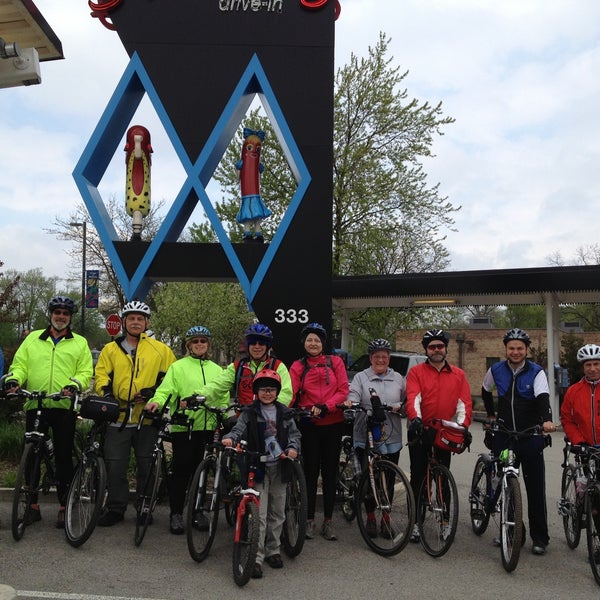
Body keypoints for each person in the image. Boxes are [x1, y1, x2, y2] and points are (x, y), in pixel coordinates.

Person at [5, 296, 93, 528]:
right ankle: (32, 507)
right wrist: (14, 380)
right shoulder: (34, 339)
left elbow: (85, 371)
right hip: (37, 405)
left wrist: (75, 385)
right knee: (32, 456)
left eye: (65, 313)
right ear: (51, 315)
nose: (61, 316)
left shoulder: (80, 342)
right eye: (57, 312)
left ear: (70, 317)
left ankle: (65, 505)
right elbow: (20, 364)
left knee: (64, 457)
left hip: (63, 407)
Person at [94, 300, 176, 526]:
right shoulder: (110, 349)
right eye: (131, 318)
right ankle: (116, 507)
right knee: (115, 465)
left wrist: (153, 392)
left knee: (146, 465)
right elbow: (101, 376)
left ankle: (144, 506)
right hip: (118, 416)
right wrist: (107, 394)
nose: (136, 322)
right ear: (124, 322)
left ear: (146, 322)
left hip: (146, 417)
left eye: (140, 319)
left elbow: (171, 378)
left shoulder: (161, 349)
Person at [144, 325, 229, 534]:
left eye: (203, 341)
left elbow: (223, 397)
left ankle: (197, 511)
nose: (199, 344)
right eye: (195, 341)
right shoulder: (178, 367)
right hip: (185, 426)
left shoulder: (218, 370)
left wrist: (226, 417)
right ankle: (176, 514)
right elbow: (165, 390)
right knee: (181, 471)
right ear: (189, 345)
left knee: (202, 471)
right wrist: (156, 401)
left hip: (208, 427)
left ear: (208, 344)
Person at [482, 327, 556, 556]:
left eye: (520, 348)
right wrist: (491, 415)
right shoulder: (495, 369)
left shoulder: (536, 372)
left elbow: (543, 398)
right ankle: (513, 532)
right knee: (506, 482)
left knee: (535, 488)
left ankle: (540, 538)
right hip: (504, 438)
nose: (515, 352)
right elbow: (485, 391)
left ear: (526, 350)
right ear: (506, 349)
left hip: (530, 437)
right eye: (512, 348)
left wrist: (547, 421)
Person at [222, 369, 300, 579]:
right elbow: (238, 430)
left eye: (272, 389)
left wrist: (292, 448)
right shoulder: (249, 413)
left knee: (278, 512)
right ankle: (255, 557)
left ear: (277, 392)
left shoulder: (285, 413)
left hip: (280, 467)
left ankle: (273, 550)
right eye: (263, 389)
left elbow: (294, 435)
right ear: (257, 391)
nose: (268, 393)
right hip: (257, 468)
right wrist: (231, 438)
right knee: (260, 514)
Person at [406, 329, 472, 543]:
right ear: (426, 349)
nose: (436, 350)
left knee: (443, 479)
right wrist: (415, 418)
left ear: (445, 348)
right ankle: (415, 523)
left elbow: (464, 404)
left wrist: (462, 427)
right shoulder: (416, 372)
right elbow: (413, 397)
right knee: (417, 479)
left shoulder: (458, 374)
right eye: (432, 346)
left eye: (440, 346)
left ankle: (444, 522)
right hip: (422, 430)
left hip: (444, 432)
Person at [289, 323, 349, 541]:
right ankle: (309, 520)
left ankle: (328, 521)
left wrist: (327, 405)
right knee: (310, 473)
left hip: (333, 423)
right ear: (304, 343)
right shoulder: (298, 366)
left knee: (330, 472)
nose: (313, 343)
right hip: (310, 425)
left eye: (317, 340)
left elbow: (343, 390)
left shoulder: (335, 362)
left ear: (323, 343)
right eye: (309, 340)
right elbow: (291, 392)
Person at [344, 338, 405, 539]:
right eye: (376, 356)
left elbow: (408, 398)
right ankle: (370, 517)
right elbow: (353, 394)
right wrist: (351, 403)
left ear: (389, 359)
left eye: (384, 357)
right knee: (368, 478)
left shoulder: (398, 378)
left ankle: (386, 520)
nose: (380, 360)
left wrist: (402, 405)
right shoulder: (361, 377)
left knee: (387, 478)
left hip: (391, 434)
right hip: (366, 433)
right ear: (370, 358)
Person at [197, 323, 292, 407]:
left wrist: (271, 409)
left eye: (262, 343)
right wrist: (197, 396)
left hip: (269, 419)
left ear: (267, 347)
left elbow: (286, 393)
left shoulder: (278, 366)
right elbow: (217, 386)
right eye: (253, 343)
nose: (257, 347)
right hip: (243, 418)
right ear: (248, 346)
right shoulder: (237, 367)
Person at [560, 343, 600, 445]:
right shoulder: (573, 391)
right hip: (586, 450)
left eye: (596, 364)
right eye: (588, 365)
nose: (592, 369)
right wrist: (579, 441)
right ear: (583, 367)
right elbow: (566, 420)